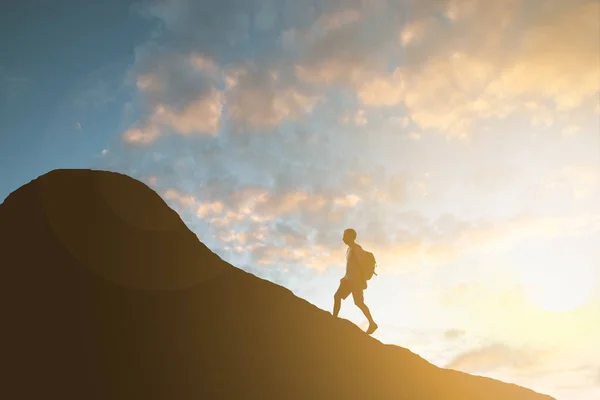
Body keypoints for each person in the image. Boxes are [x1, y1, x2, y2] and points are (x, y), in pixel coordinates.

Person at [333, 228, 378, 335]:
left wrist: (362, 279)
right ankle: (334, 318)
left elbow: (362, 264)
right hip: (349, 280)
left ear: (351, 237)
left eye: (345, 235)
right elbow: (351, 267)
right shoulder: (349, 250)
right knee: (338, 297)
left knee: (358, 302)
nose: (343, 238)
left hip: (355, 281)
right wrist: (345, 277)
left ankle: (372, 323)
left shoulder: (357, 248)